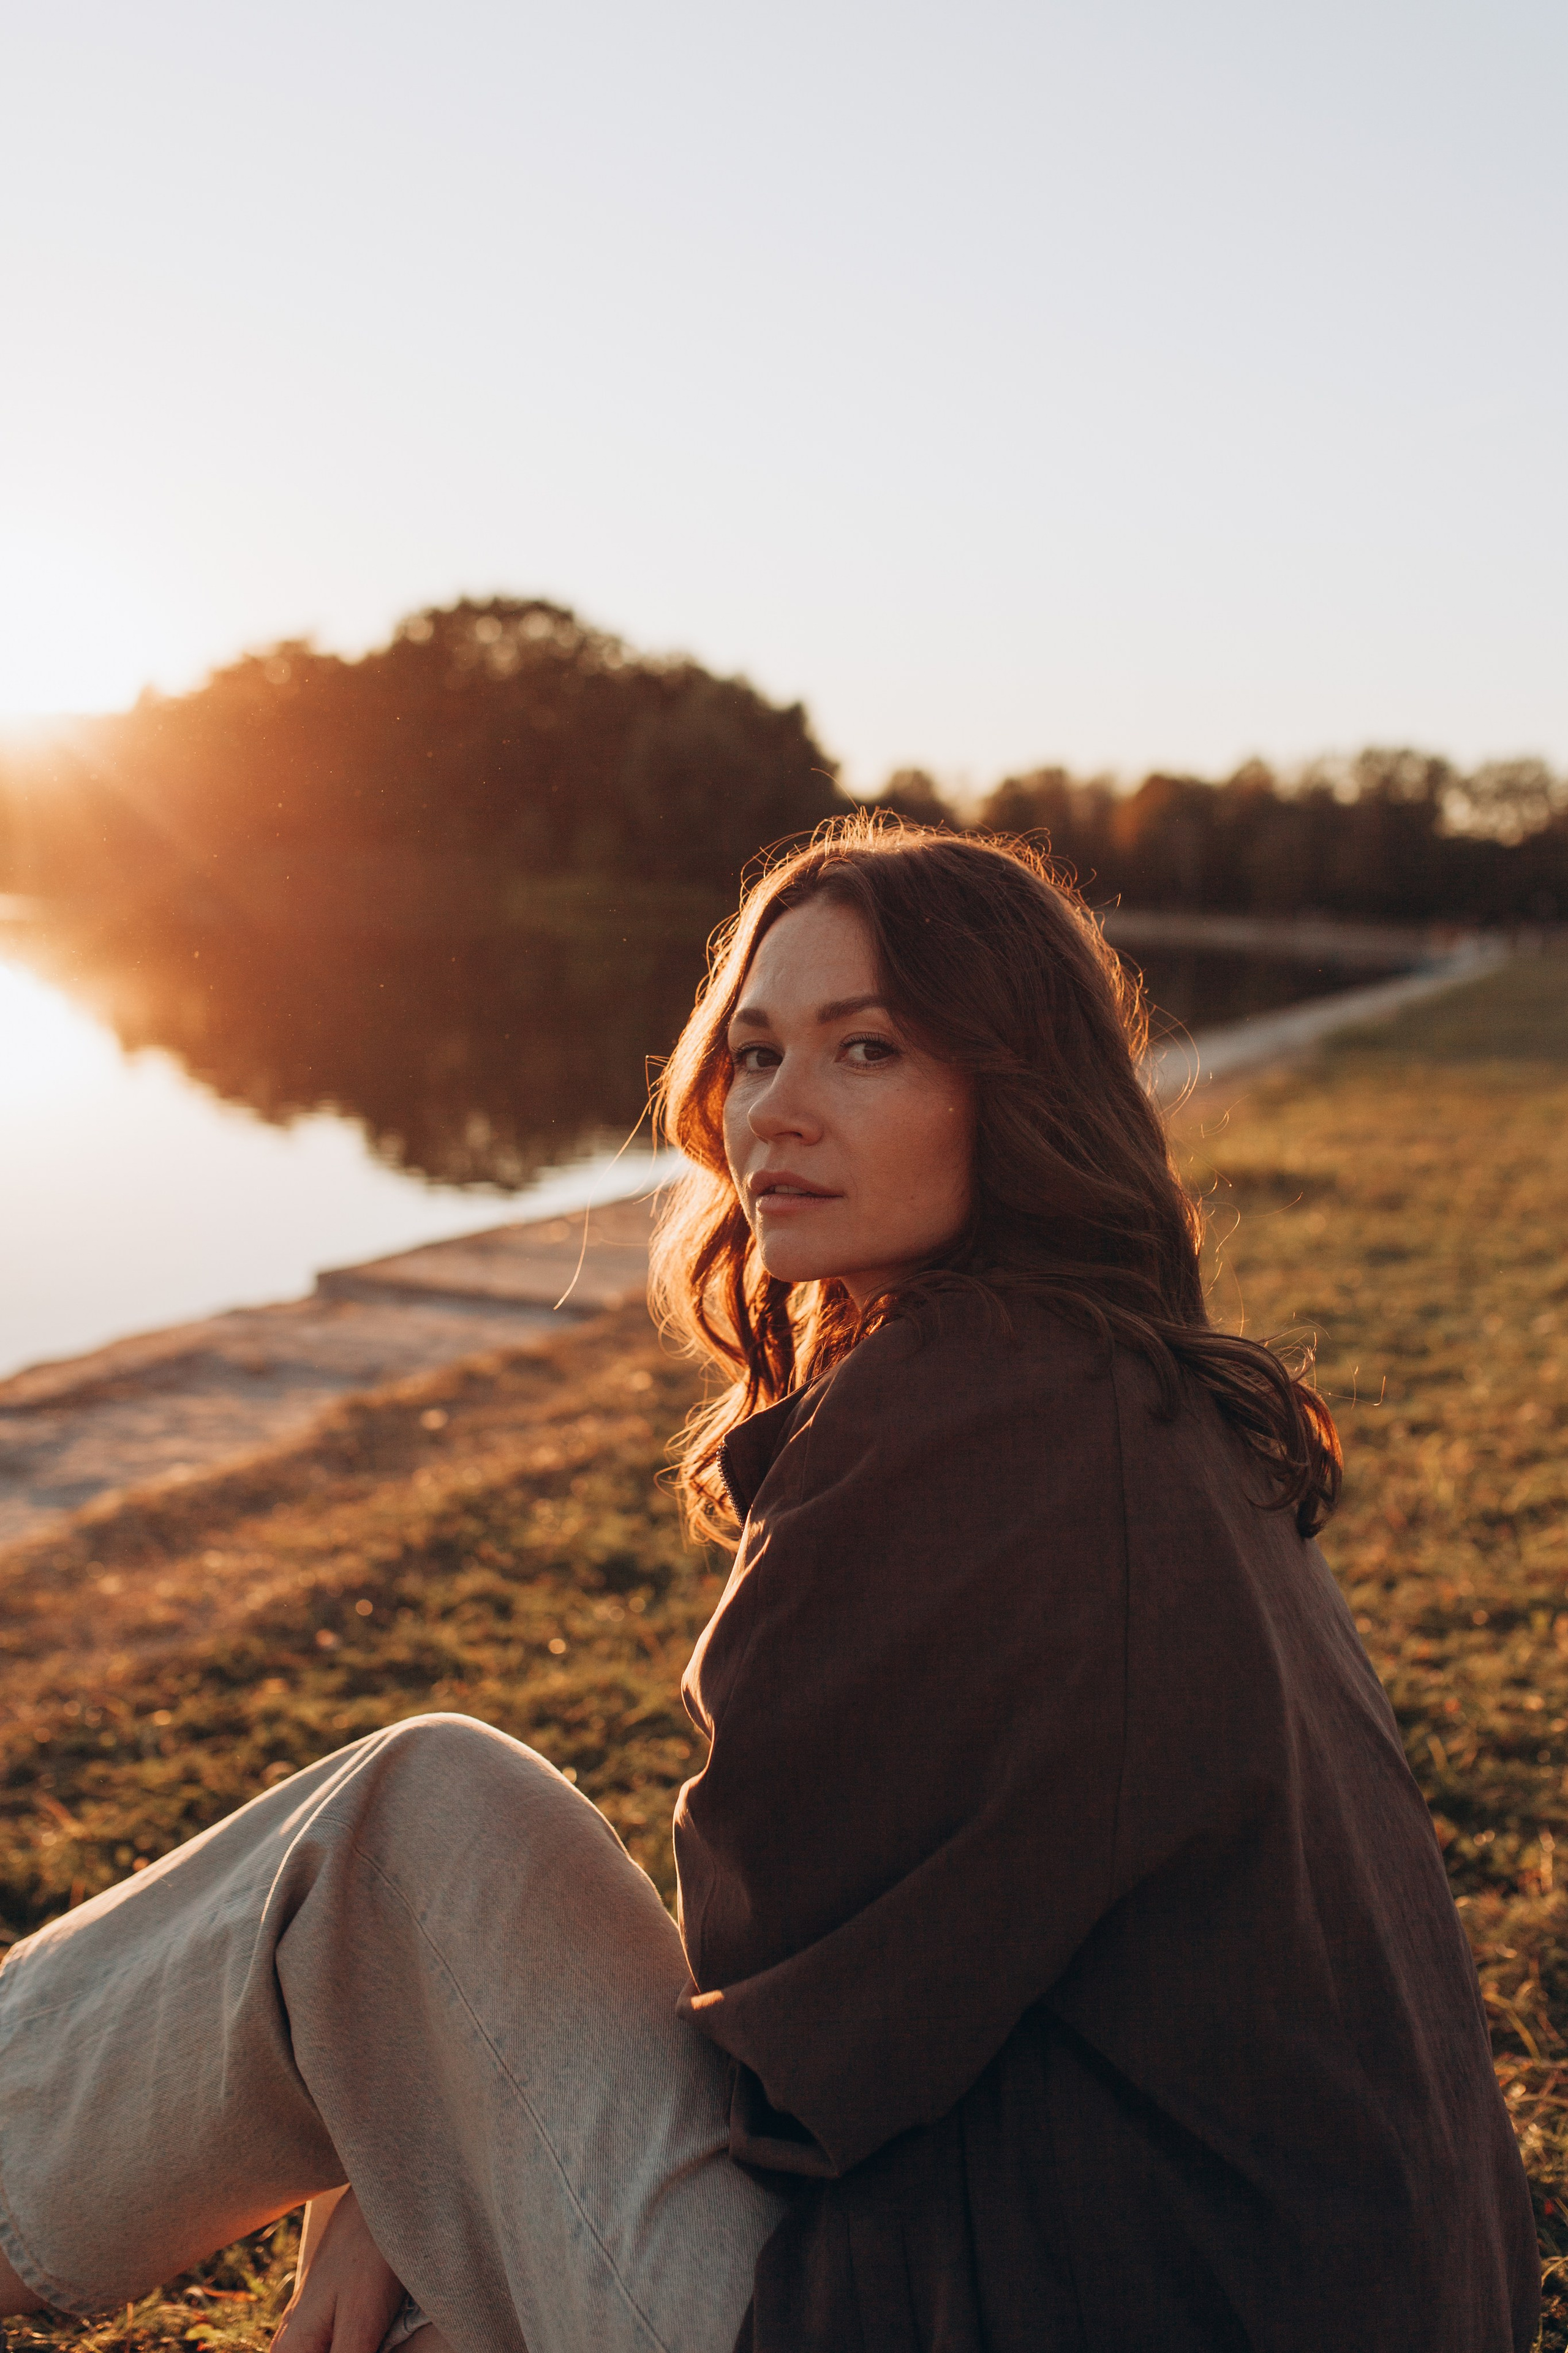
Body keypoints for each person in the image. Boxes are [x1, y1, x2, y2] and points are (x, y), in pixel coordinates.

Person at [0, 818, 1539, 2353]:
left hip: (1072, 2295)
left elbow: (787, 2047)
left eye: (864, 1050)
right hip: (1254, 2282)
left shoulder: (966, 1400)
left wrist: (404, 2123)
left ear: (1012, 1089)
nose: (775, 1115)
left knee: (410, 1821)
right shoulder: (1135, 1396)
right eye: (754, 1053)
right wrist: (412, 2103)